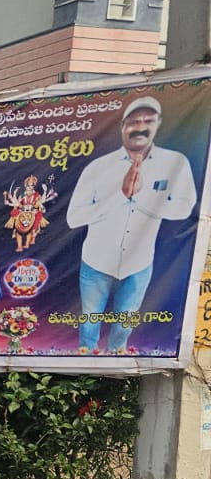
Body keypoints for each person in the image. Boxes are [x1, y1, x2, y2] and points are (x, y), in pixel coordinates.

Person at [66, 96, 198, 354]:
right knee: (89, 325)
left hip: (139, 263)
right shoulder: (98, 168)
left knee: (124, 327)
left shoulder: (175, 163)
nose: (141, 127)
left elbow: (185, 208)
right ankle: (85, 369)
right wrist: (120, 195)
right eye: (134, 121)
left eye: (148, 121)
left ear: (159, 123)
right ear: (123, 126)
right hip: (96, 263)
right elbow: (74, 218)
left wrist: (141, 197)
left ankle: (114, 368)